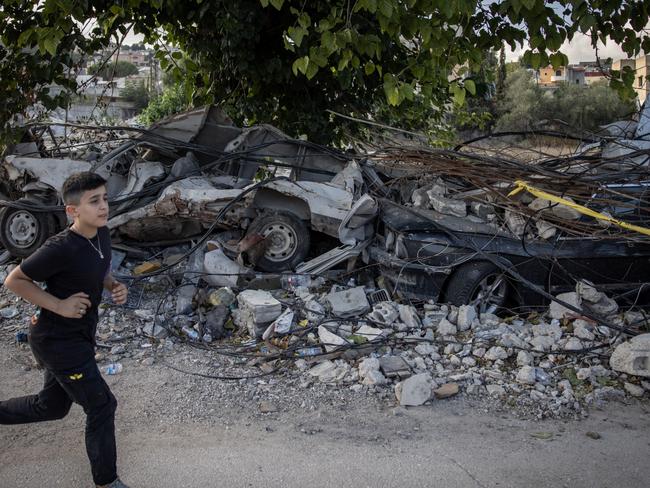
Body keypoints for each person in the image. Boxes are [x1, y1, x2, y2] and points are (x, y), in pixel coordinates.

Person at [0, 172, 131, 488]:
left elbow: (100, 268)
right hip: (57, 341)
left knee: (52, 407)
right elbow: (14, 280)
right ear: (73, 211)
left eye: (104, 198)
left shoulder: (101, 233)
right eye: (94, 201)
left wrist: (113, 285)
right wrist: (58, 305)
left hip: (79, 337)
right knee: (102, 404)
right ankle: (107, 481)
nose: (103, 207)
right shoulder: (61, 247)